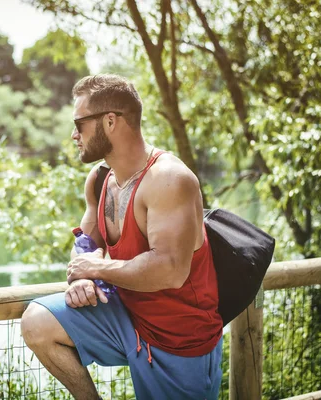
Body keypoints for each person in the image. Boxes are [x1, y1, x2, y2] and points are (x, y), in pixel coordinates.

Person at [21, 74, 224, 400]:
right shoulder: (100, 179)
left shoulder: (169, 179)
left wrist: (97, 270)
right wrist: (80, 280)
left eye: (79, 123)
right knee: (37, 323)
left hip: (179, 340)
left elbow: (171, 270)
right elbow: (86, 246)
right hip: (127, 319)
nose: (74, 135)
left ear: (110, 121)